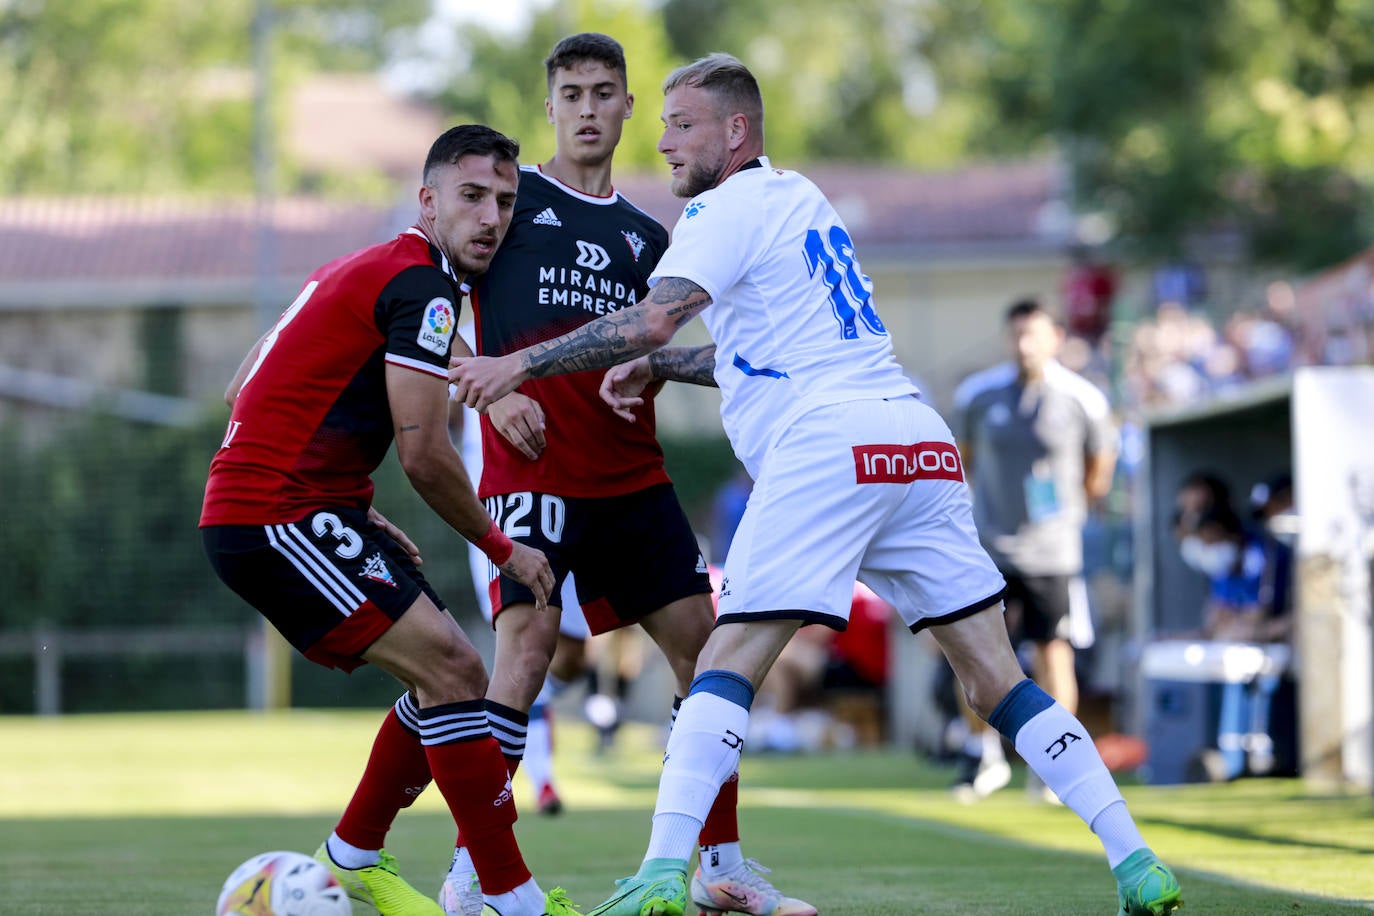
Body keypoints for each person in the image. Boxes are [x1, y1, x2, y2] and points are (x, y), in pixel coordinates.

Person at [449, 53, 1183, 916]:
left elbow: (651, 315)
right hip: (914, 438)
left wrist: (519, 364)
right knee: (997, 679)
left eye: (681, 125)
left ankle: (661, 876)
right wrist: (661, 371)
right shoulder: (802, 199)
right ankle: (1137, 863)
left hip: (825, 445)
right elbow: (756, 354)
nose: (665, 144)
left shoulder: (722, 208)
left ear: (737, 131)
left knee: (723, 664)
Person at [437, 34, 813, 916]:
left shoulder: (656, 234)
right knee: (523, 653)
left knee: (710, 654)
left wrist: (665, 365)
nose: (588, 109)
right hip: (531, 476)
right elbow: (409, 305)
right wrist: (488, 395)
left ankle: (720, 864)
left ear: (629, 108)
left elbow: (730, 349)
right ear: (550, 107)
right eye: (571, 93)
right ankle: (476, 873)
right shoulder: (508, 201)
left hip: (631, 479)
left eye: (605, 92)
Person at [200, 125, 578, 916]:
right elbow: (426, 453)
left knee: (446, 674)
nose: (491, 218)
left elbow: (244, 388)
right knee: (455, 671)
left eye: (506, 202)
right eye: (472, 196)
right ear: (429, 200)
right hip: (274, 513)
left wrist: (352, 509)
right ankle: (516, 903)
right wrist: (502, 548)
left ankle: (354, 855)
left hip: (300, 507)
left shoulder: (353, 270)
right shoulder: (423, 286)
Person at [951, 297, 1118, 802]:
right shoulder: (979, 396)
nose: (1025, 344)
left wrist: (1066, 517)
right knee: (976, 651)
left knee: (1054, 655)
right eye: (1017, 334)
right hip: (991, 549)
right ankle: (984, 757)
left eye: (1035, 334)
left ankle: (1052, 767)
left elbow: (1099, 471)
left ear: (1055, 338)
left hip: (1053, 553)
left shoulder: (1082, 398)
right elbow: (965, 463)